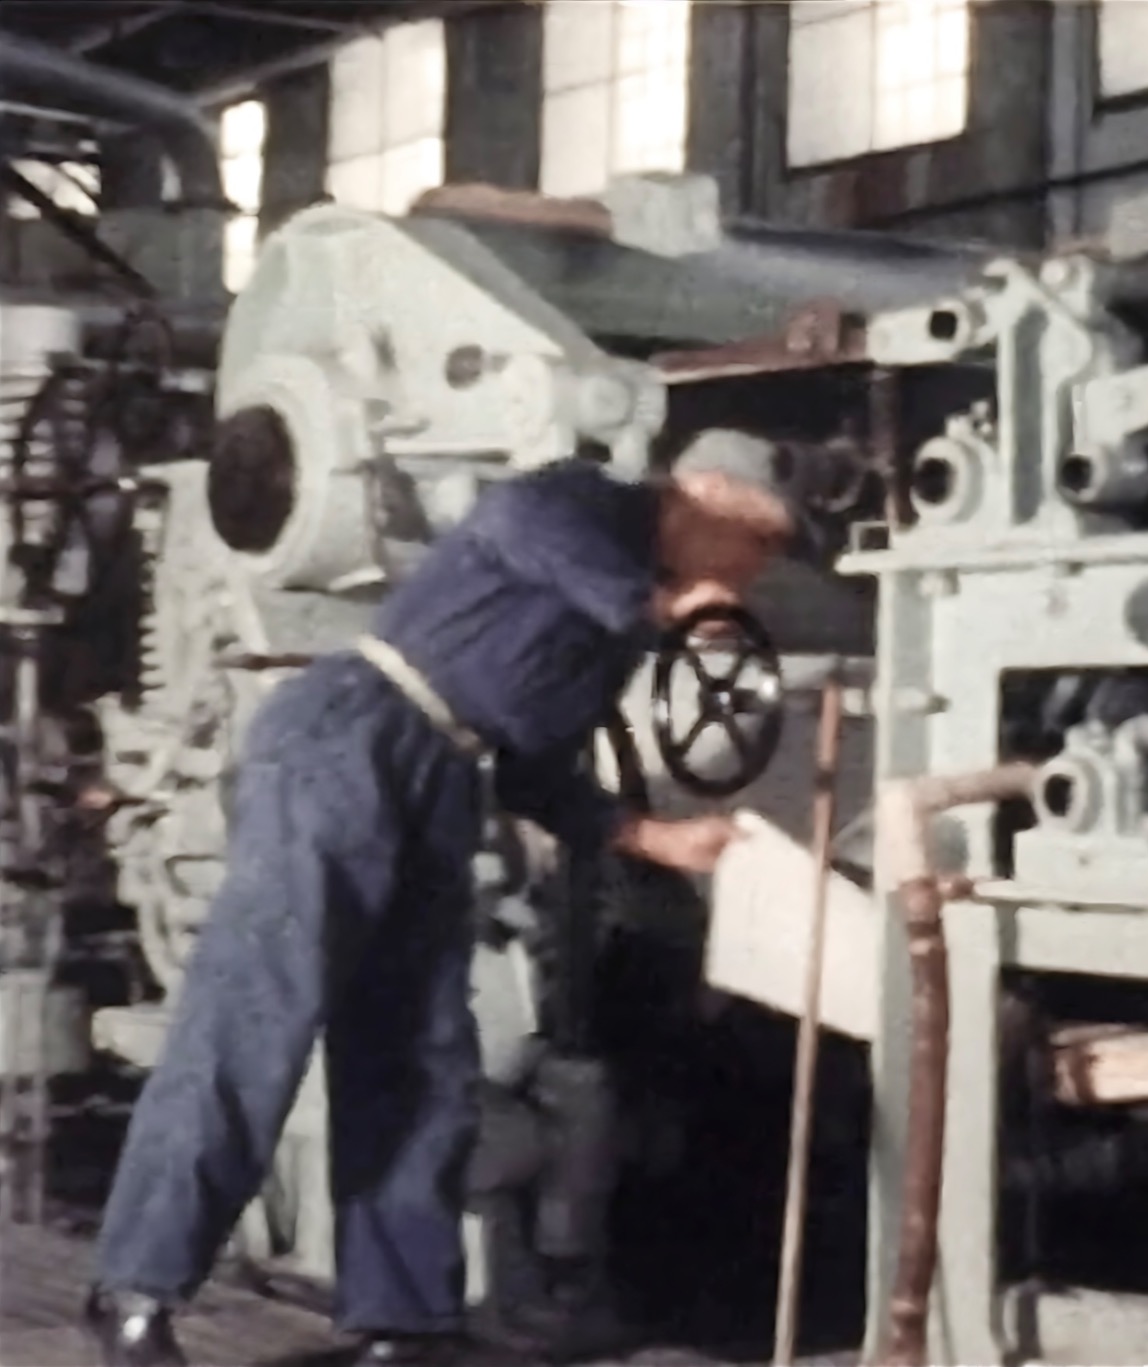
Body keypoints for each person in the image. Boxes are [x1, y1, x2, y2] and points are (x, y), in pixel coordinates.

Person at [82, 428, 819, 1367]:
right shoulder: (581, 500)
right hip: (353, 735)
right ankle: (135, 1290)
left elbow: (537, 769)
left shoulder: (621, 630)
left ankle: (403, 1321)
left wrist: (656, 837)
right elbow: (522, 524)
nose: (757, 569)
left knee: (420, 1048)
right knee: (257, 1013)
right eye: (757, 540)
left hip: (446, 777)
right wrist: (673, 605)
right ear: (702, 492)